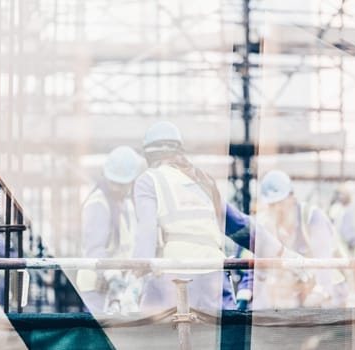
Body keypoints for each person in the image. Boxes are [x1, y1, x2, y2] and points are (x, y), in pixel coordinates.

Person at [133, 121, 298, 314]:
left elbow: (147, 229)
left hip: (175, 277)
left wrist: (137, 269)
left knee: (154, 334)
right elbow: (240, 226)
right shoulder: (202, 181)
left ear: (149, 155)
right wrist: (282, 253)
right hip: (214, 276)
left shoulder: (149, 180)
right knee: (222, 336)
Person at [254, 170, 347, 308]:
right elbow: (260, 272)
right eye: (272, 205)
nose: (277, 209)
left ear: (292, 197)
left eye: (280, 202)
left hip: (330, 289)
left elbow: (324, 268)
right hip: (299, 291)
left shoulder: (313, 218)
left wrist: (318, 295)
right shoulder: (267, 224)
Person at [76, 146, 143, 314]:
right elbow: (94, 249)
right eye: (114, 183)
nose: (117, 188)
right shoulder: (98, 204)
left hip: (119, 285)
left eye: (122, 184)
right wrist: (111, 277)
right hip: (98, 286)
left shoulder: (126, 204)